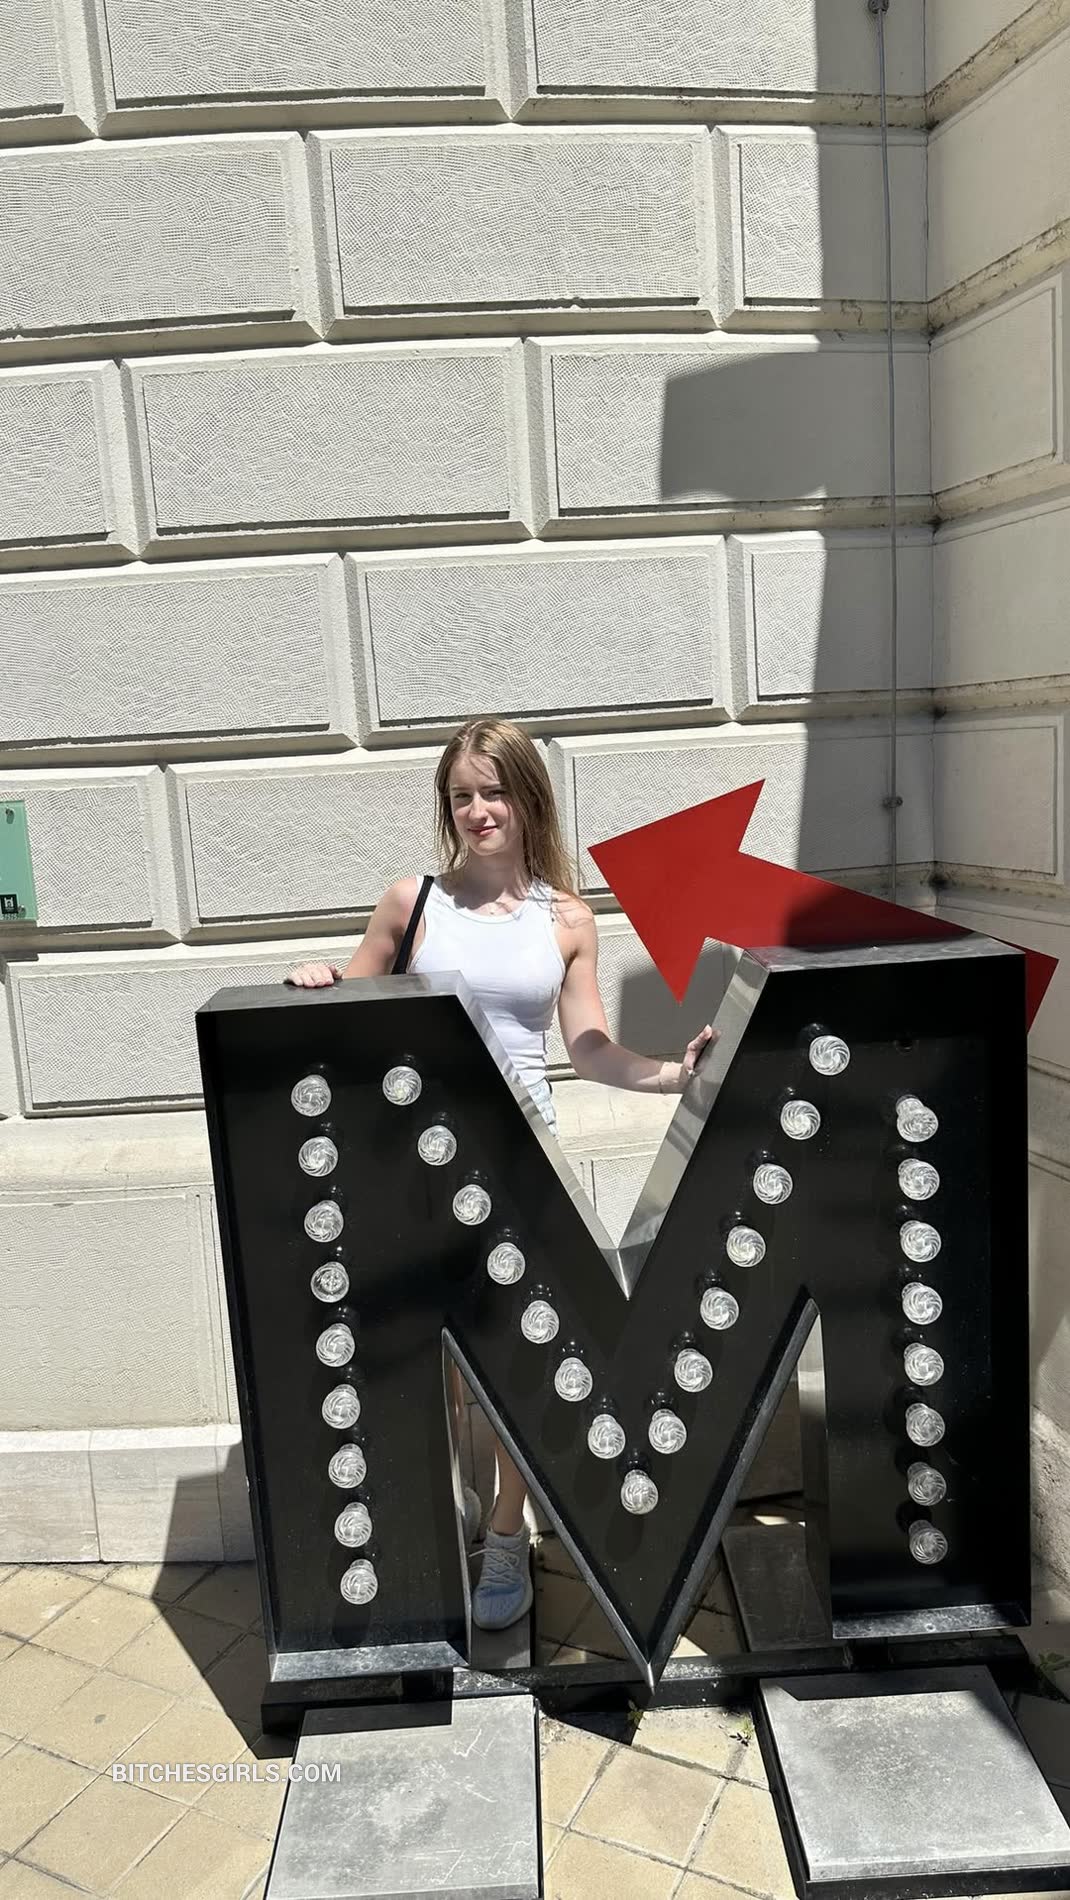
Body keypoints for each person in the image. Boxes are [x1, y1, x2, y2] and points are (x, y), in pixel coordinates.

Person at [286, 716, 715, 1630]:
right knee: (441, 1361)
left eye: (494, 791)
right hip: (416, 1164)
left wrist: (672, 1075)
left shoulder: (567, 918)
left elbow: (587, 1046)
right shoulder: (412, 902)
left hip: (524, 1163)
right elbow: (356, 1004)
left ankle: (509, 1535)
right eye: (461, 796)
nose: (478, 811)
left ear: (528, 798)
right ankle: (462, 1507)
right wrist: (322, 976)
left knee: (524, 1357)